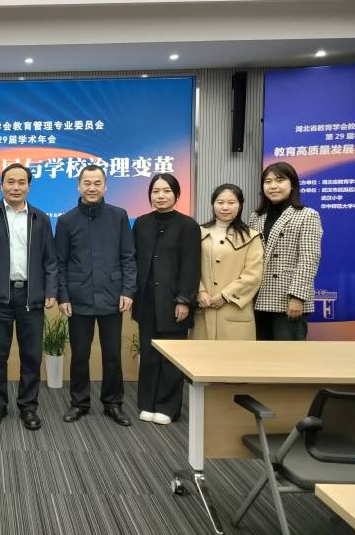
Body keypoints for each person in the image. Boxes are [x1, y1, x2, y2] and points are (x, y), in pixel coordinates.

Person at [0, 163, 58, 431]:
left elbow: (50, 260)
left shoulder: (40, 218)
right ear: (1, 185)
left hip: (32, 297)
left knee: (31, 356)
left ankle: (28, 407)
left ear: (29, 186)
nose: (16, 187)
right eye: (10, 182)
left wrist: (51, 291)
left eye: (21, 182)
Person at [55, 165, 136, 426]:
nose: (92, 188)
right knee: (80, 354)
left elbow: (128, 257)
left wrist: (127, 290)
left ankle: (113, 404)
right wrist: (63, 296)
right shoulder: (66, 220)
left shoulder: (118, 216)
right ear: (79, 186)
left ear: (105, 186)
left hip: (112, 297)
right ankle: (79, 403)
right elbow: (60, 263)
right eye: (87, 183)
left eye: (97, 183)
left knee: (112, 354)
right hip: (78, 298)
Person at [132, 173, 200, 425]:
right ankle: (147, 403)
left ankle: (168, 407)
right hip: (146, 301)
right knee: (149, 354)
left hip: (173, 302)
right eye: (156, 191)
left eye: (167, 191)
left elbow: (191, 266)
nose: (160, 196)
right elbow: (133, 260)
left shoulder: (188, 226)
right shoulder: (141, 223)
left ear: (177, 195)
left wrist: (184, 300)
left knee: (172, 356)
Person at [249, 162, 322, 340]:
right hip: (258, 298)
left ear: (292, 185)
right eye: (268, 182)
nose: (273, 186)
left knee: (288, 354)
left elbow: (309, 259)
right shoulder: (256, 217)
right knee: (259, 354)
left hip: (288, 300)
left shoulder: (307, 215)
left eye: (280, 180)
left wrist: (297, 297)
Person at [192, 184, 263, 340]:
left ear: (240, 205)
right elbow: (189, 267)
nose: (225, 207)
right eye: (220, 202)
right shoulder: (197, 232)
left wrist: (225, 296)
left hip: (235, 311)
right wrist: (200, 291)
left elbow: (253, 276)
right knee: (201, 354)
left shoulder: (251, 237)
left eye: (231, 203)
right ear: (213, 204)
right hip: (203, 308)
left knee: (234, 355)